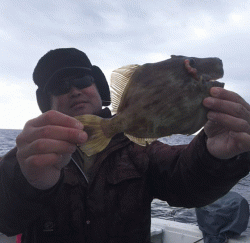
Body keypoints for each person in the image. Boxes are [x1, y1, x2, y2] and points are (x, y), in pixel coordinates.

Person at [0, 48, 249, 243]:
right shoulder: (28, 158)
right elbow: (6, 221)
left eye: (82, 79)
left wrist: (215, 155)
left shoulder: (137, 148)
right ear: (48, 102)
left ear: (98, 88)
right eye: (60, 86)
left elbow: (184, 181)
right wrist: (27, 181)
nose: (74, 90)